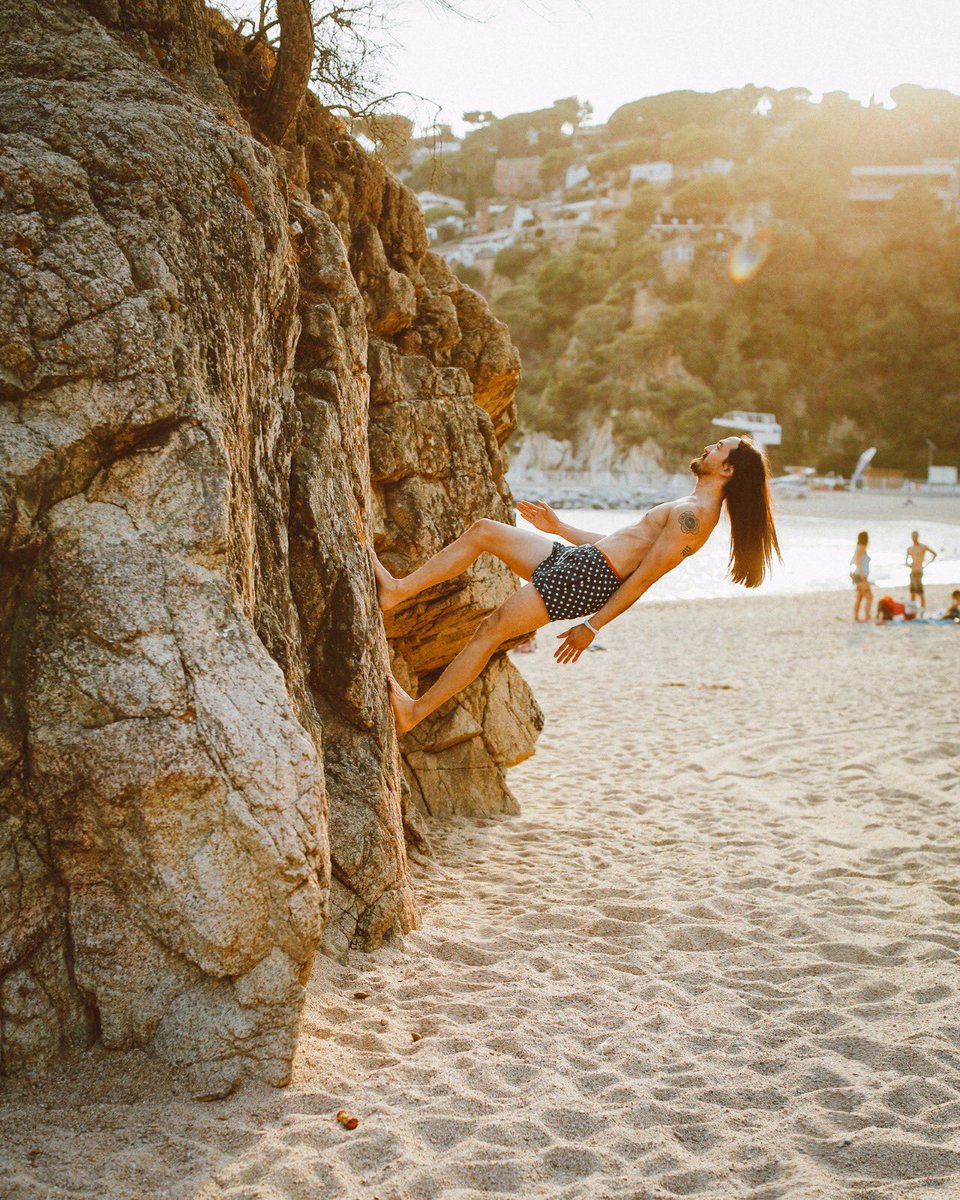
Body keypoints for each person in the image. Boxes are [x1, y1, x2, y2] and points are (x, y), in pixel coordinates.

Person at [372, 436, 780, 733]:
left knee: (489, 631)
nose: (708, 447)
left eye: (718, 447)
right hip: (582, 562)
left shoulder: (695, 517)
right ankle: (397, 590)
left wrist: (592, 626)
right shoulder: (689, 506)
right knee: (484, 531)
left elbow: (643, 577)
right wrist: (560, 528)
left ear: (727, 470)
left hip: (588, 578)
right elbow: (620, 546)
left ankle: (414, 712)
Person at [905, 530, 937, 615]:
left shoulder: (922, 547)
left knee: (920, 592)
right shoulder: (910, 549)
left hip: (919, 571)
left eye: (915, 536)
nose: (914, 538)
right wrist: (909, 564)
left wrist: (926, 564)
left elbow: (934, 554)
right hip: (912, 571)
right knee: (912, 592)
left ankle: (922, 613)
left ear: (918, 536)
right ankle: (913, 613)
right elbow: (906, 561)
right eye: (913, 536)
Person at [850, 531, 872, 622]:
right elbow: (857, 561)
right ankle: (867, 616)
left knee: (860, 597)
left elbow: (852, 561)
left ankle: (856, 617)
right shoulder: (861, 548)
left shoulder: (859, 547)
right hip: (860, 576)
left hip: (857, 575)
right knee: (869, 597)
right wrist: (862, 575)